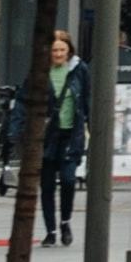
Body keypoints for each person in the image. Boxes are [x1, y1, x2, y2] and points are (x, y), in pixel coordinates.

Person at [41, 31, 91, 246]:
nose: (58, 54)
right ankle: (51, 231)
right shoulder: (41, 72)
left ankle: (65, 222)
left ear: (69, 50)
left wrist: (92, 127)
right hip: (47, 136)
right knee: (47, 186)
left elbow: (87, 100)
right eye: (54, 50)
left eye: (62, 50)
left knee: (69, 180)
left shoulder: (79, 70)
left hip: (71, 134)